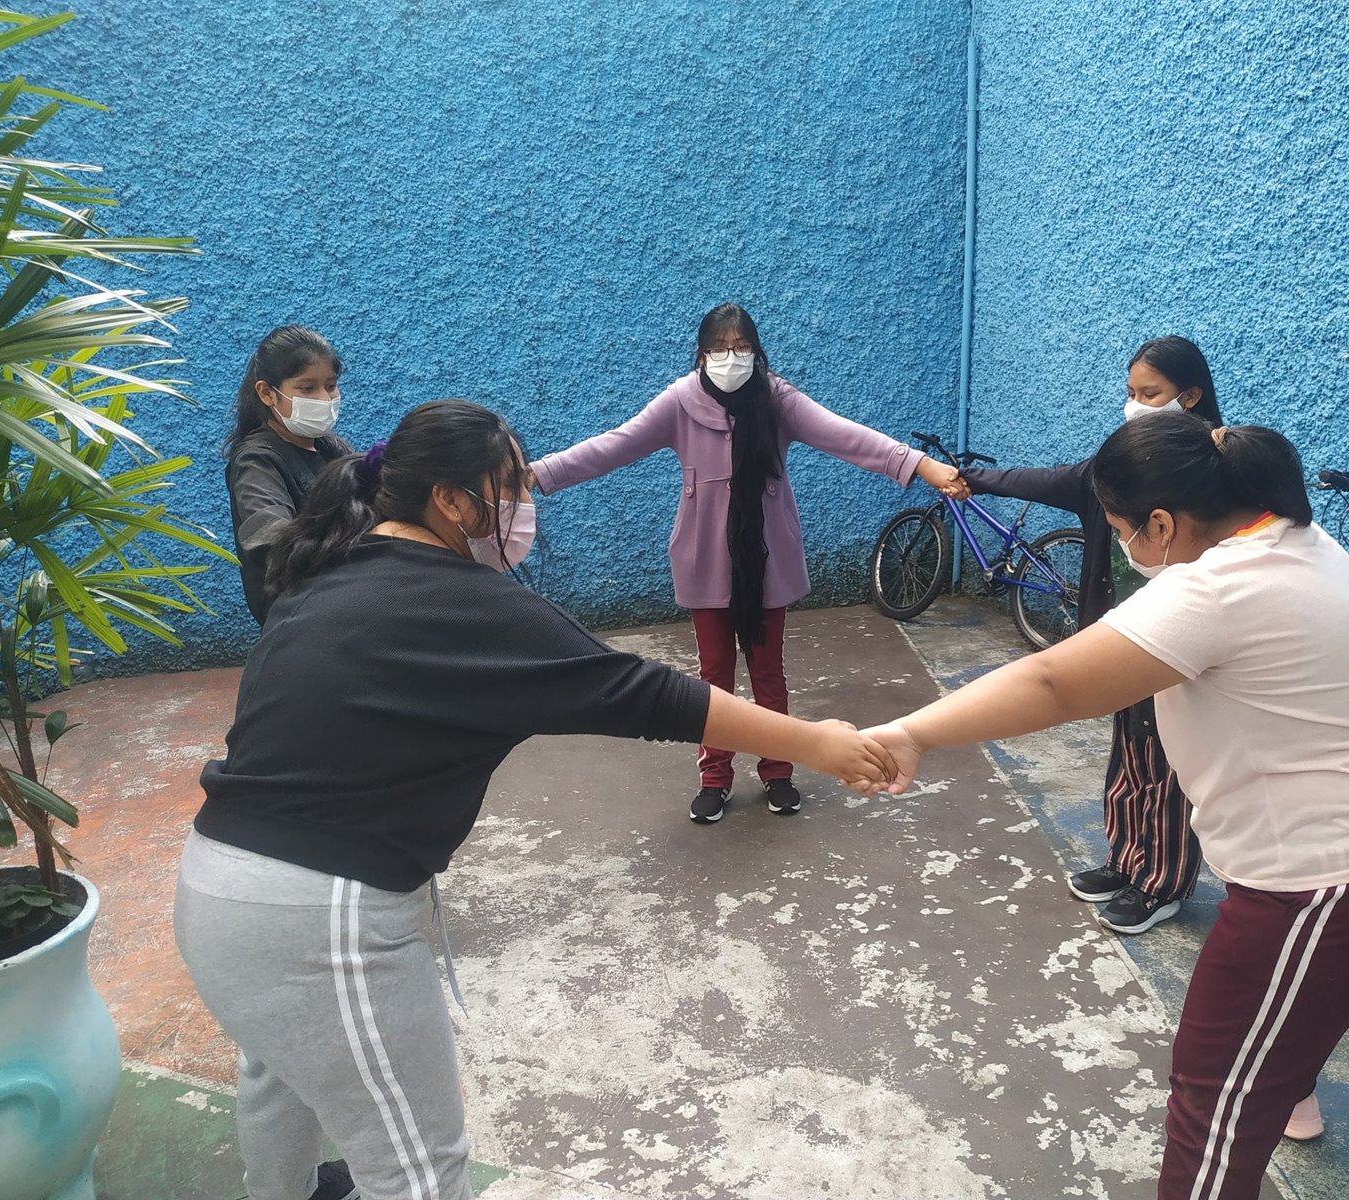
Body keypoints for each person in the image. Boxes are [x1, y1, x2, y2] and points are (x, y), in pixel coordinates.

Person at [174, 399, 892, 1200]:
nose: (523, 505)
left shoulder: (331, 567)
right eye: (508, 486)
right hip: (316, 920)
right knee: (418, 1168)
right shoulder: (467, 605)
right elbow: (641, 691)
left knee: (279, 1070)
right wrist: (818, 743)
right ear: (450, 501)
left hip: (214, 891)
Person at [861, 413, 1349, 1198]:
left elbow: (1053, 682)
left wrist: (909, 733)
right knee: (1274, 1037)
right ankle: (1286, 1082)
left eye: (1122, 533)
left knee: (1210, 1107)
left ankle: (1266, 1085)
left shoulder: (1217, 587)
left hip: (1326, 888)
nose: (1127, 552)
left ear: (1163, 525)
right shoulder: (1294, 538)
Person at [531, 302, 964, 824]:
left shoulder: (778, 400)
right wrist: (539, 473)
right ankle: (714, 777)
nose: (730, 358)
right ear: (701, 354)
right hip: (705, 558)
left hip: (767, 559)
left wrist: (921, 465)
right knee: (712, 677)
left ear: (756, 352)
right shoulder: (679, 402)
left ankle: (778, 771)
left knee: (767, 672)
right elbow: (613, 446)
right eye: (719, 347)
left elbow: (845, 434)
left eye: (741, 347)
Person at [953, 335, 1217, 935]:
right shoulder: (1117, 467)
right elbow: (1051, 480)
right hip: (1118, 634)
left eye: (1149, 394)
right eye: (1130, 393)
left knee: (1169, 762)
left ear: (1191, 395)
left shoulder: (1207, 478)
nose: (1135, 404)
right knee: (1128, 751)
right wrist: (978, 479)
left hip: (1178, 640)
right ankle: (1127, 862)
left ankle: (1164, 883)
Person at [223, 325, 350, 625]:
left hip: (345, 601)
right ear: (267, 393)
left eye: (330, 386)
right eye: (307, 388)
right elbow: (272, 540)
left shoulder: (333, 450)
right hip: (298, 617)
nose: (324, 398)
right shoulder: (257, 461)